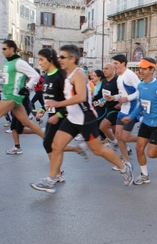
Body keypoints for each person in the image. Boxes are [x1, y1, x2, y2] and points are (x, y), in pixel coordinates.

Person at [30, 44, 133, 193]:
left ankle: (125, 168)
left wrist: (58, 104)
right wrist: (48, 108)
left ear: (72, 59)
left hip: (86, 118)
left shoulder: (78, 74)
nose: (59, 59)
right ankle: (50, 181)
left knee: (98, 150)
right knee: (56, 146)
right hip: (72, 118)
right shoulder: (66, 73)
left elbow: (81, 97)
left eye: (62, 57)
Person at [35, 48, 90, 181]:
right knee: (52, 144)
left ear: (50, 60)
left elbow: (68, 99)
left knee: (49, 144)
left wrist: (58, 115)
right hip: (51, 115)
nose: (40, 63)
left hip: (62, 116)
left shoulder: (60, 77)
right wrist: (43, 109)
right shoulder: (47, 75)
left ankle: (55, 175)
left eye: (42, 59)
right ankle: (77, 151)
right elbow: (50, 98)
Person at [121, 57, 157, 184]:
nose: (141, 70)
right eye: (140, 68)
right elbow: (139, 105)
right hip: (145, 123)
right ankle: (145, 175)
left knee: (151, 153)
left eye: (144, 68)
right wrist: (131, 116)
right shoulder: (140, 86)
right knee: (139, 149)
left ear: (152, 69)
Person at [0, 40, 44, 139]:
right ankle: (47, 138)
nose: (2, 51)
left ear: (12, 49)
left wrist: (26, 87)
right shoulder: (7, 63)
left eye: (4, 49)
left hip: (12, 97)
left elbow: (35, 75)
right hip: (9, 96)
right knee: (25, 122)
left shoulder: (19, 62)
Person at [104, 54, 140, 166]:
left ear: (123, 63)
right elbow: (121, 95)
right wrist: (113, 98)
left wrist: (128, 98)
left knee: (125, 137)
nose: (114, 66)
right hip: (123, 109)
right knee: (119, 135)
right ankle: (126, 162)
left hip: (132, 109)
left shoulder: (130, 75)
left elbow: (140, 91)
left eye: (116, 63)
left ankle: (145, 138)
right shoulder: (119, 77)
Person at [99, 63, 120, 150]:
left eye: (107, 68)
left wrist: (120, 104)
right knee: (116, 133)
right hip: (107, 108)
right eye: (104, 68)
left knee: (102, 126)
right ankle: (127, 149)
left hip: (115, 109)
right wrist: (97, 102)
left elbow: (123, 94)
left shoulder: (117, 81)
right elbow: (101, 95)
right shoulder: (103, 82)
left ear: (112, 70)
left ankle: (115, 143)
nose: (104, 70)